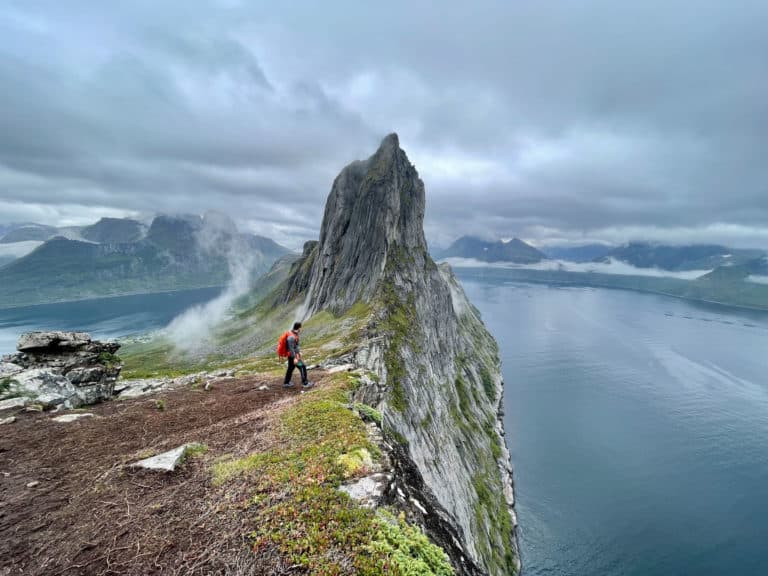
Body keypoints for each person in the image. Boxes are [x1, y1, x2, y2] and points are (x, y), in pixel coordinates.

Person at [283, 322, 313, 389]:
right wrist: (295, 358)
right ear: (298, 327)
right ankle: (305, 383)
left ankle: (286, 383)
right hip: (293, 356)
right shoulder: (291, 337)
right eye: (300, 327)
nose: (301, 329)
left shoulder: (294, 334)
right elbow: (291, 348)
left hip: (293, 355)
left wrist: (299, 352)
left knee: (290, 368)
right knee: (302, 366)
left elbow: (295, 346)